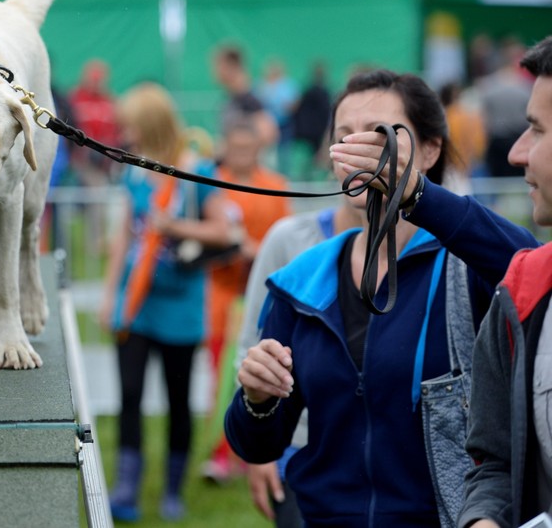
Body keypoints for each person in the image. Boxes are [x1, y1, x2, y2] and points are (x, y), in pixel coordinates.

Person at [226, 69, 540, 527]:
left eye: (379, 136)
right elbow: (259, 444)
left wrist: (417, 196)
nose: (358, 150)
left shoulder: (463, 262)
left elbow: (530, 263)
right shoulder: (301, 280)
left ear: (430, 150)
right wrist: (256, 399)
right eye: (343, 136)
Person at [99, 82, 235, 522]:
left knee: (179, 400)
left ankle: (173, 490)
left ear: (151, 125)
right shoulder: (134, 170)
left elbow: (225, 232)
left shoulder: (195, 171)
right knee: (130, 396)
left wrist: (176, 227)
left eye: (132, 126)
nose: (126, 134)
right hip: (136, 304)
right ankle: (127, 488)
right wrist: (109, 295)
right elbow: (125, 236)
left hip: (180, 308)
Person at [458, 35, 552, 528]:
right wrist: (484, 520)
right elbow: (494, 463)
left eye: (536, 130)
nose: (517, 153)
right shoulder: (524, 288)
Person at [233, 198, 362, 527]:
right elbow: (253, 343)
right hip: (296, 448)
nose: (359, 155)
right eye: (344, 144)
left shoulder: (432, 249)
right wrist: (260, 446)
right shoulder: (289, 238)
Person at [201, 115, 291, 484]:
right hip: (221, 294)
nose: (240, 153)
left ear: (258, 147)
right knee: (221, 373)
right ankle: (220, 450)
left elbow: (282, 239)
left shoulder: (274, 186)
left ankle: (250, 448)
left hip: (260, 295)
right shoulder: (211, 184)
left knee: (259, 370)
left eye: (246, 146)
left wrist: (254, 248)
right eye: (234, 146)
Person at [478, 37, 532, 178]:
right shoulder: (525, 87)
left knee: (497, 183)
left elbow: (484, 119)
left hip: (496, 142)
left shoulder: (488, 86)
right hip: (518, 139)